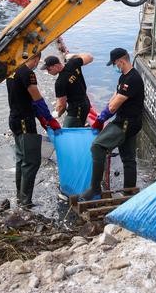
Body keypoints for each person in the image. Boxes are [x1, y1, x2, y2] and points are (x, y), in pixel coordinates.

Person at [79, 48, 144, 201]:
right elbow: (113, 99)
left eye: (115, 63)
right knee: (128, 158)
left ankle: (95, 188)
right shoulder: (124, 77)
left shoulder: (132, 79)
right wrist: (102, 114)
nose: (115, 66)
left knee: (97, 146)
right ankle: (129, 193)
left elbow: (115, 106)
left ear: (121, 61)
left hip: (126, 123)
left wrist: (100, 120)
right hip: (131, 122)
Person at [6, 53, 61, 208]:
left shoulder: (13, 71)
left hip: (14, 119)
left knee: (21, 159)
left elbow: (24, 98)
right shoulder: (27, 73)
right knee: (31, 161)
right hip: (24, 121)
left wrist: (41, 118)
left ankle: (19, 196)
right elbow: (37, 99)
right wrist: (49, 119)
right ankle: (25, 202)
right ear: (36, 59)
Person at [41, 52, 94, 127]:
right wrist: (76, 56)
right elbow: (90, 57)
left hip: (77, 109)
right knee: (78, 126)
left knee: (67, 130)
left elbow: (62, 106)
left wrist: (57, 114)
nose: (48, 72)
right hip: (85, 102)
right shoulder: (72, 63)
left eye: (48, 69)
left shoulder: (59, 83)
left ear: (56, 66)